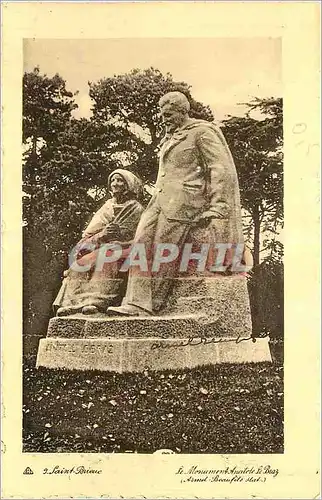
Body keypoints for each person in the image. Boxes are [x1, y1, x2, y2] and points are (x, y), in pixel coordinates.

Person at [108, 91, 249, 317]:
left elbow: (220, 169)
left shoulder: (202, 132)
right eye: (162, 114)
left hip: (188, 201)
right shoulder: (170, 137)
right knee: (141, 240)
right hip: (160, 199)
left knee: (165, 246)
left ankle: (151, 304)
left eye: (169, 114)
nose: (164, 119)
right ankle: (135, 302)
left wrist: (217, 205)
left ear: (184, 111)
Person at [53, 168, 144, 316]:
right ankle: (72, 304)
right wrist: (102, 235)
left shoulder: (136, 208)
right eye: (113, 180)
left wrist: (121, 241)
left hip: (126, 250)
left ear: (128, 185)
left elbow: (142, 237)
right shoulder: (106, 208)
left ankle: (96, 301)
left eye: (120, 180)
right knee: (80, 264)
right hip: (102, 247)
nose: (115, 184)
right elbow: (86, 239)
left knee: (107, 257)